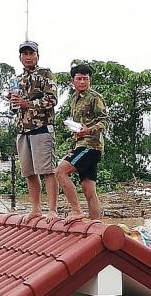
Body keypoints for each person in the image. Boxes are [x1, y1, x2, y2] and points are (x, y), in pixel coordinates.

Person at [10, 41, 59, 222]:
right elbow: (14, 107)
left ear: (38, 55)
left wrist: (28, 103)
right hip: (22, 130)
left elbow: (52, 100)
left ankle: (52, 209)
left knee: (47, 170)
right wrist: (14, 101)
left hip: (41, 127)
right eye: (24, 54)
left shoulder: (46, 74)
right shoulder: (16, 79)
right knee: (29, 172)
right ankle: (36, 209)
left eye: (31, 53)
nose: (28, 57)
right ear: (20, 57)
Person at [55, 64, 109, 223]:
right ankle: (96, 224)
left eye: (86, 78)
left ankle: (76, 210)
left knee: (60, 172)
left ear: (90, 80)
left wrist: (89, 130)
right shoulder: (73, 100)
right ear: (73, 81)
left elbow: (105, 121)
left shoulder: (95, 97)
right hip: (79, 145)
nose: (83, 81)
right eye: (79, 78)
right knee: (88, 189)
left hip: (91, 146)